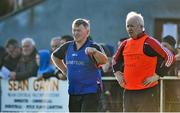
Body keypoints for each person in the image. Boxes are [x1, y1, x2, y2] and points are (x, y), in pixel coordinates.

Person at [112, 11, 176, 112]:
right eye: (127, 26)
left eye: (132, 26)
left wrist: (158, 75)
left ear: (141, 27)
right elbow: (115, 61)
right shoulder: (125, 44)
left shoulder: (149, 42)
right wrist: (117, 75)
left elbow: (171, 57)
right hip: (128, 93)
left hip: (147, 92)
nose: (129, 29)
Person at [51, 18, 108, 112]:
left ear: (87, 32)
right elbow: (54, 56)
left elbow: (104, 61)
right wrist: (65, 70)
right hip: (74, 90)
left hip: (91, 91)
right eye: (74, 30)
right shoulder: (68, 46)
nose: (76, 33)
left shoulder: (94, 46)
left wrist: (94, 52)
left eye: (79, 30)